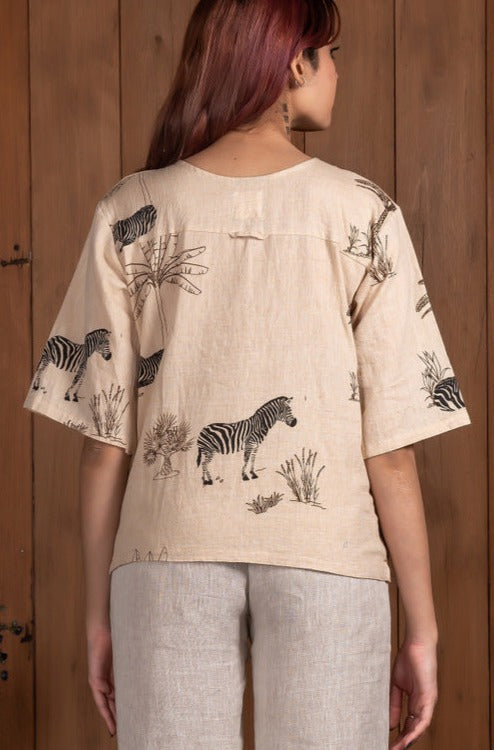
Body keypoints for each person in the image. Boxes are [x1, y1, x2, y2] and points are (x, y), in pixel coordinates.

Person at [22, 0, 472, 748]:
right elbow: (392, 450)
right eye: (331, 54)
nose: (338, 72)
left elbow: (103, 444)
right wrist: (422, 632)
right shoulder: (364, 215)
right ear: (295, 63)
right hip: (329, 556)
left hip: (166, 556)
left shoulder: (130, 210)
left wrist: (99, 619)